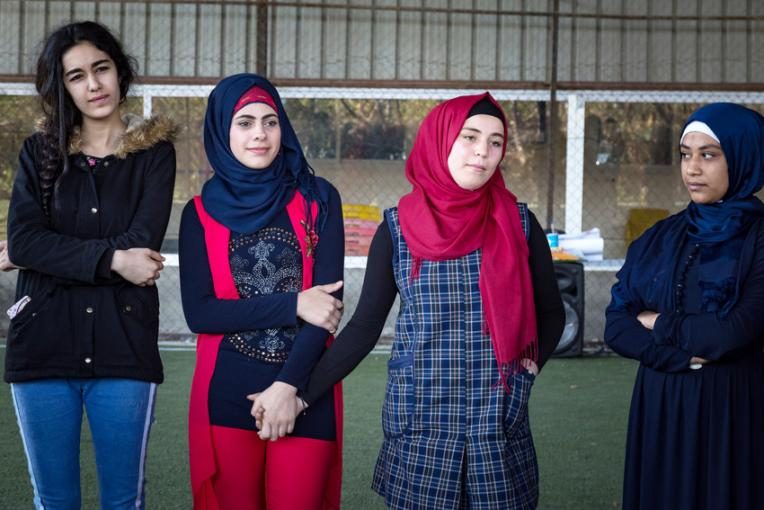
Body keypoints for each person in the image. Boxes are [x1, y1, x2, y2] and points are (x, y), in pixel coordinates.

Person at [252, 93, 565, 509]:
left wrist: (528, 370)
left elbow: (552, 314)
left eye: (495, 142)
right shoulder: (397, 229)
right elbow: (364, 329)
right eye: (469, 137)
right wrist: (300, 393)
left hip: (496, 419)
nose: (483, 152)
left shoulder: (520, 223)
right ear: (441, 140)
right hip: (422, 420)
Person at [1, 21, 176, 509]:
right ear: (63, 88)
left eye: (101, 69)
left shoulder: (155, 155)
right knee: (54, 499)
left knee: (124, 500)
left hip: (124, 348)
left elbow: (142, 244)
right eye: (76, 76)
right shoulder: (38, 153)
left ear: (119, 72)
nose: (93, 85)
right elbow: (24, 240)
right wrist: (113, 258)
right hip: (42, 346)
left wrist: (45, 251)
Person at [179, 73, 345, 510]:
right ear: (222, 130)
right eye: (245, 122)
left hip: (306, 388)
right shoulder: (197, 214)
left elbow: (327, 308)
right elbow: (201, 315)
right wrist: (295, 304)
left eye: (270, 122)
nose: (259, 134)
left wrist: (288, 386)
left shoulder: (319, 198)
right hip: (227, 391)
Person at [604, 103, 764, 510]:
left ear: (745, 156)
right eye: (685, 154)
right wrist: (680, 357)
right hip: (661, 402)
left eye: (709, 155)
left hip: (733, 408)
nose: (692, 168)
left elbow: (735, 331)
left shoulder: (758, 238)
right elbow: (616, 326)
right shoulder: (660, 237)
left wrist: (655, 321)